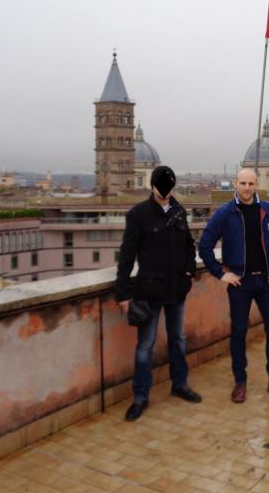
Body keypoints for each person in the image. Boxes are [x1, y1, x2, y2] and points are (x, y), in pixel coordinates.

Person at [198, 168, 269, 403]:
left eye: (250, 183)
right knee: (238, 333)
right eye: (242, 183)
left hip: (265, 281)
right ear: (236, 183)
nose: (246, 187)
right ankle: (240, 382)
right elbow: (205, 246)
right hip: (240, 283)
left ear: (256, 185)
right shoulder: (225, 213)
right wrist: (220, 274)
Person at [115, 166, 202, 421]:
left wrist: (189, 271)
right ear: (152, 186)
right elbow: (127, 256)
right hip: (149, 291)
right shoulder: (138, 215)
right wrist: (122, 294)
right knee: (145, 345)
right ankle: (141, 396)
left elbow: (188, 245)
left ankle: (180, 384)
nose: (165, 192)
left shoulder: (179, 211)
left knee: (178, 338)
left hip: (176, 288)